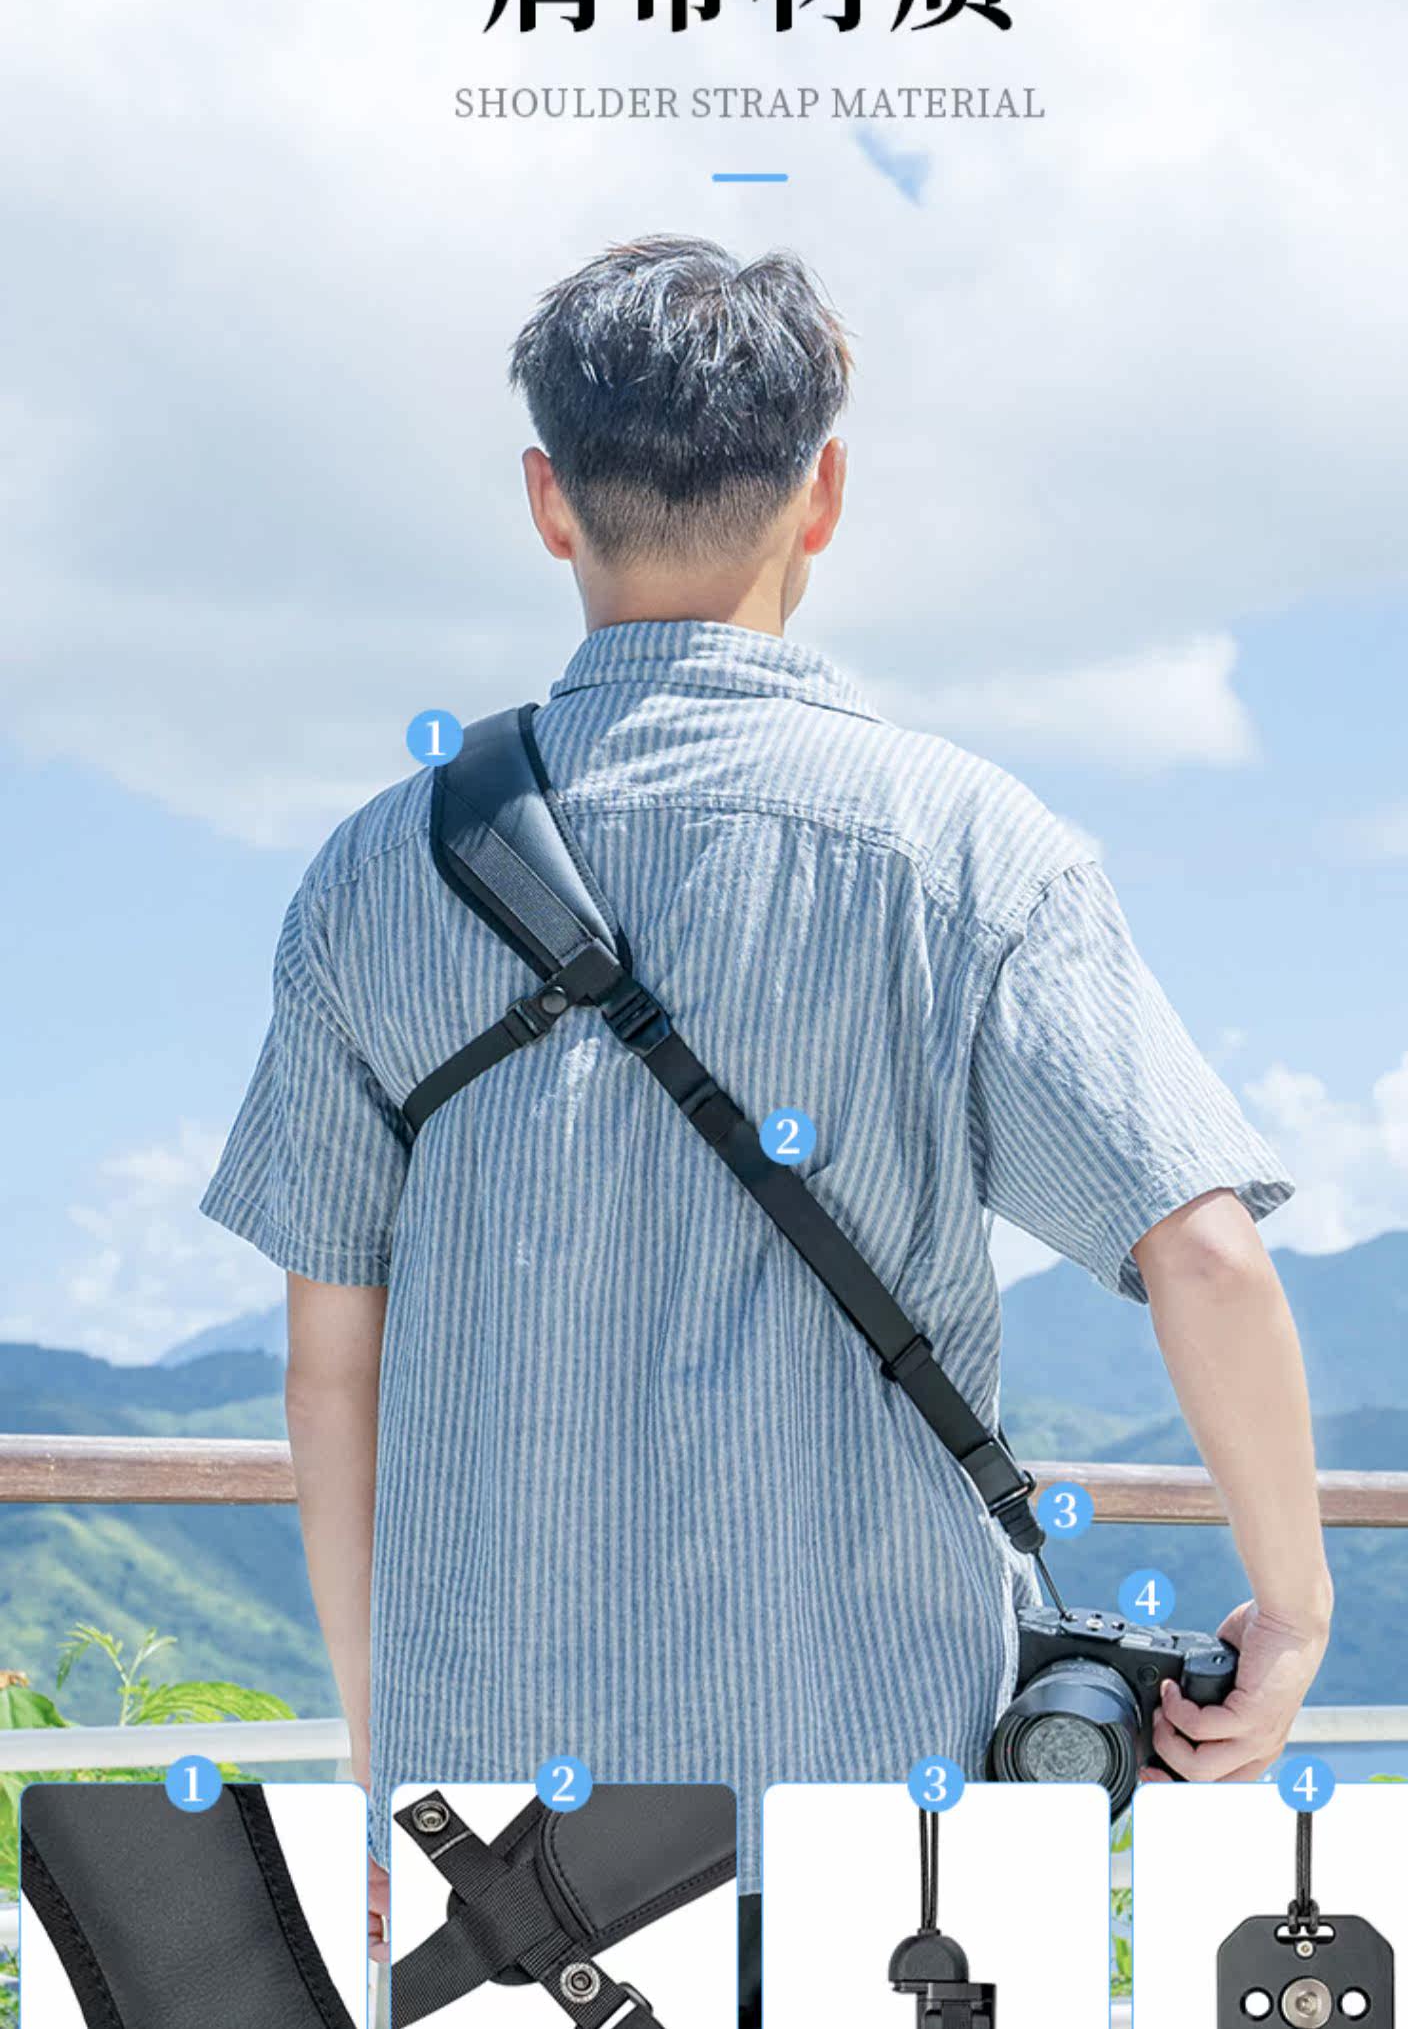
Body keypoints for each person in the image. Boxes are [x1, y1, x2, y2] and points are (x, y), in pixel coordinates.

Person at [202, 236, 1333, 2025]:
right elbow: (1201, 1249)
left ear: (547, 499)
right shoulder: (968, 847)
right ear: (825, 492)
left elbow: (330, 1373)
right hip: (895, 1802)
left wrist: (387, 1743)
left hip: (508, 1822)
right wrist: (1292, 1609)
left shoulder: (378, 875)